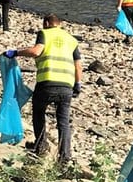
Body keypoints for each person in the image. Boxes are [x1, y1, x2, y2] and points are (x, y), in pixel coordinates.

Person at [5, 14, 83, 164]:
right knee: (63, 121)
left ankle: (41, 145)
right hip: (66, 85)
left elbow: (36, 51)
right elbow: (78, 65)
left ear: (47, 23)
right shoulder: (71, 40)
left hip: (47, 82)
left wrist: (16, 52)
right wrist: (78, 83)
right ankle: (65, 157)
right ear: (60, 24)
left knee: (39, 112)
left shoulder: (44, 33)